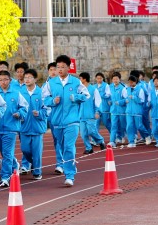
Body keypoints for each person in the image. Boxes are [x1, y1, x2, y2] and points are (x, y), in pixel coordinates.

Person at [41, 55, 88, 186]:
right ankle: (68, 166)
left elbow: (86, 95)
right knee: (61, 147)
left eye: (63, 67)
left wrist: (76, 97)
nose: (60, 69)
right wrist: (52, 101)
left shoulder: (76, 82)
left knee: (69, 147)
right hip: (56, 122)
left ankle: (69, 175)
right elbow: (44, 99)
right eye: (58, 67)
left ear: (68, 68)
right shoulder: (50, 83)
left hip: (72, 121)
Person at [0, 70, 28, 187]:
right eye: (0, 80)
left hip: (10, 128)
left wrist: (19, 114)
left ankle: (5, 177)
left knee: (7, 153)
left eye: (5, 79)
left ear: (10, 80)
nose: (3, 82)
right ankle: (14, 165)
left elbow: (24, 107)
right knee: (1, 153)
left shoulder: (16, 93)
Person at [20, 69, 47, 180]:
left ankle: (37, 172)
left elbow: (47, 110)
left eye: (30, 77)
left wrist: (39, 113)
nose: (27, 79)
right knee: (25, 149)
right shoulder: (20, 93)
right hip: (24, 127)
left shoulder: (42, 93)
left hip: (37, 127)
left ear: (35, 79)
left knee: (37, 151)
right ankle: (33, 163)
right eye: (25, 77)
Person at [77, 72, 106, 154]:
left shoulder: (93, 90)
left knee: (91, 131)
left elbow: (98, 102)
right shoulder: (79, 90)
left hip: (91, 115)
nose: (79, 80)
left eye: (80, 78)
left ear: (84, 79)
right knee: (83, 134)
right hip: (81, 116)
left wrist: (97, 112)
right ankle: (88, 148)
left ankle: (101, 141)